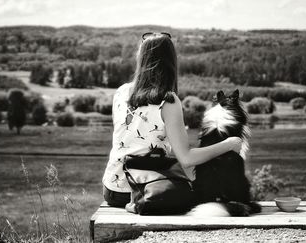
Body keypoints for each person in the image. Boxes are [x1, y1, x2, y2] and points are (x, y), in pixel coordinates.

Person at [102, 32, 243, 207]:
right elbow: (187, 158)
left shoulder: (122, 92)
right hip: (143, 191)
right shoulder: (167, 101)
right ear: (170, 62)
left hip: (112, 190)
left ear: (141, 59)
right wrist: (229, 144)